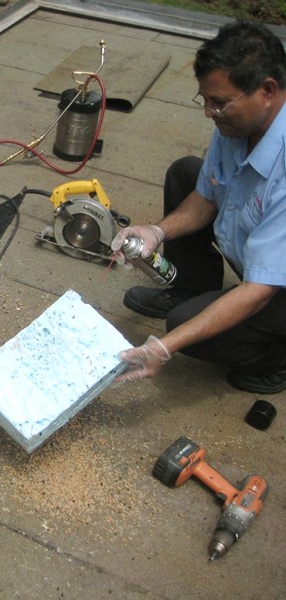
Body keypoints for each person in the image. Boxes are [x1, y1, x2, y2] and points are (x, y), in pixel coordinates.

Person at [112, 20, 286, 394]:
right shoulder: (239, 126)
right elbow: (206, 197)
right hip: (261, 258)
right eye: (205, 99)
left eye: (219, 102)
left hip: (275, 285)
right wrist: (155, 231)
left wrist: (165, 347)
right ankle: (191, 289)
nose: (209, 112)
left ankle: (276, 359)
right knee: (185, 173)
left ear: (268, 91)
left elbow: (258, 290)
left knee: (184, 328)